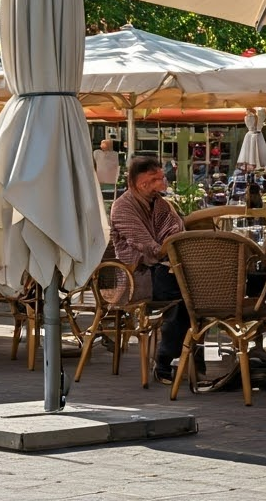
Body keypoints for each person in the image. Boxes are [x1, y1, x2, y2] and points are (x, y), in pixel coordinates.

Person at [108, 155, 187, 385]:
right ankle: (164, 362)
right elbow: (147, 246)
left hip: (161, 269)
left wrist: (167, 247)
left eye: (160, 178)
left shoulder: (161, 204)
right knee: (182, 298)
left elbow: (175, 230)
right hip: (135, 277)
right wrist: (165, 248)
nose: (159, 185)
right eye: (152, 181)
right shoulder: (122, 207)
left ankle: (185, 356)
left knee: (196, 292)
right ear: (136, 183)